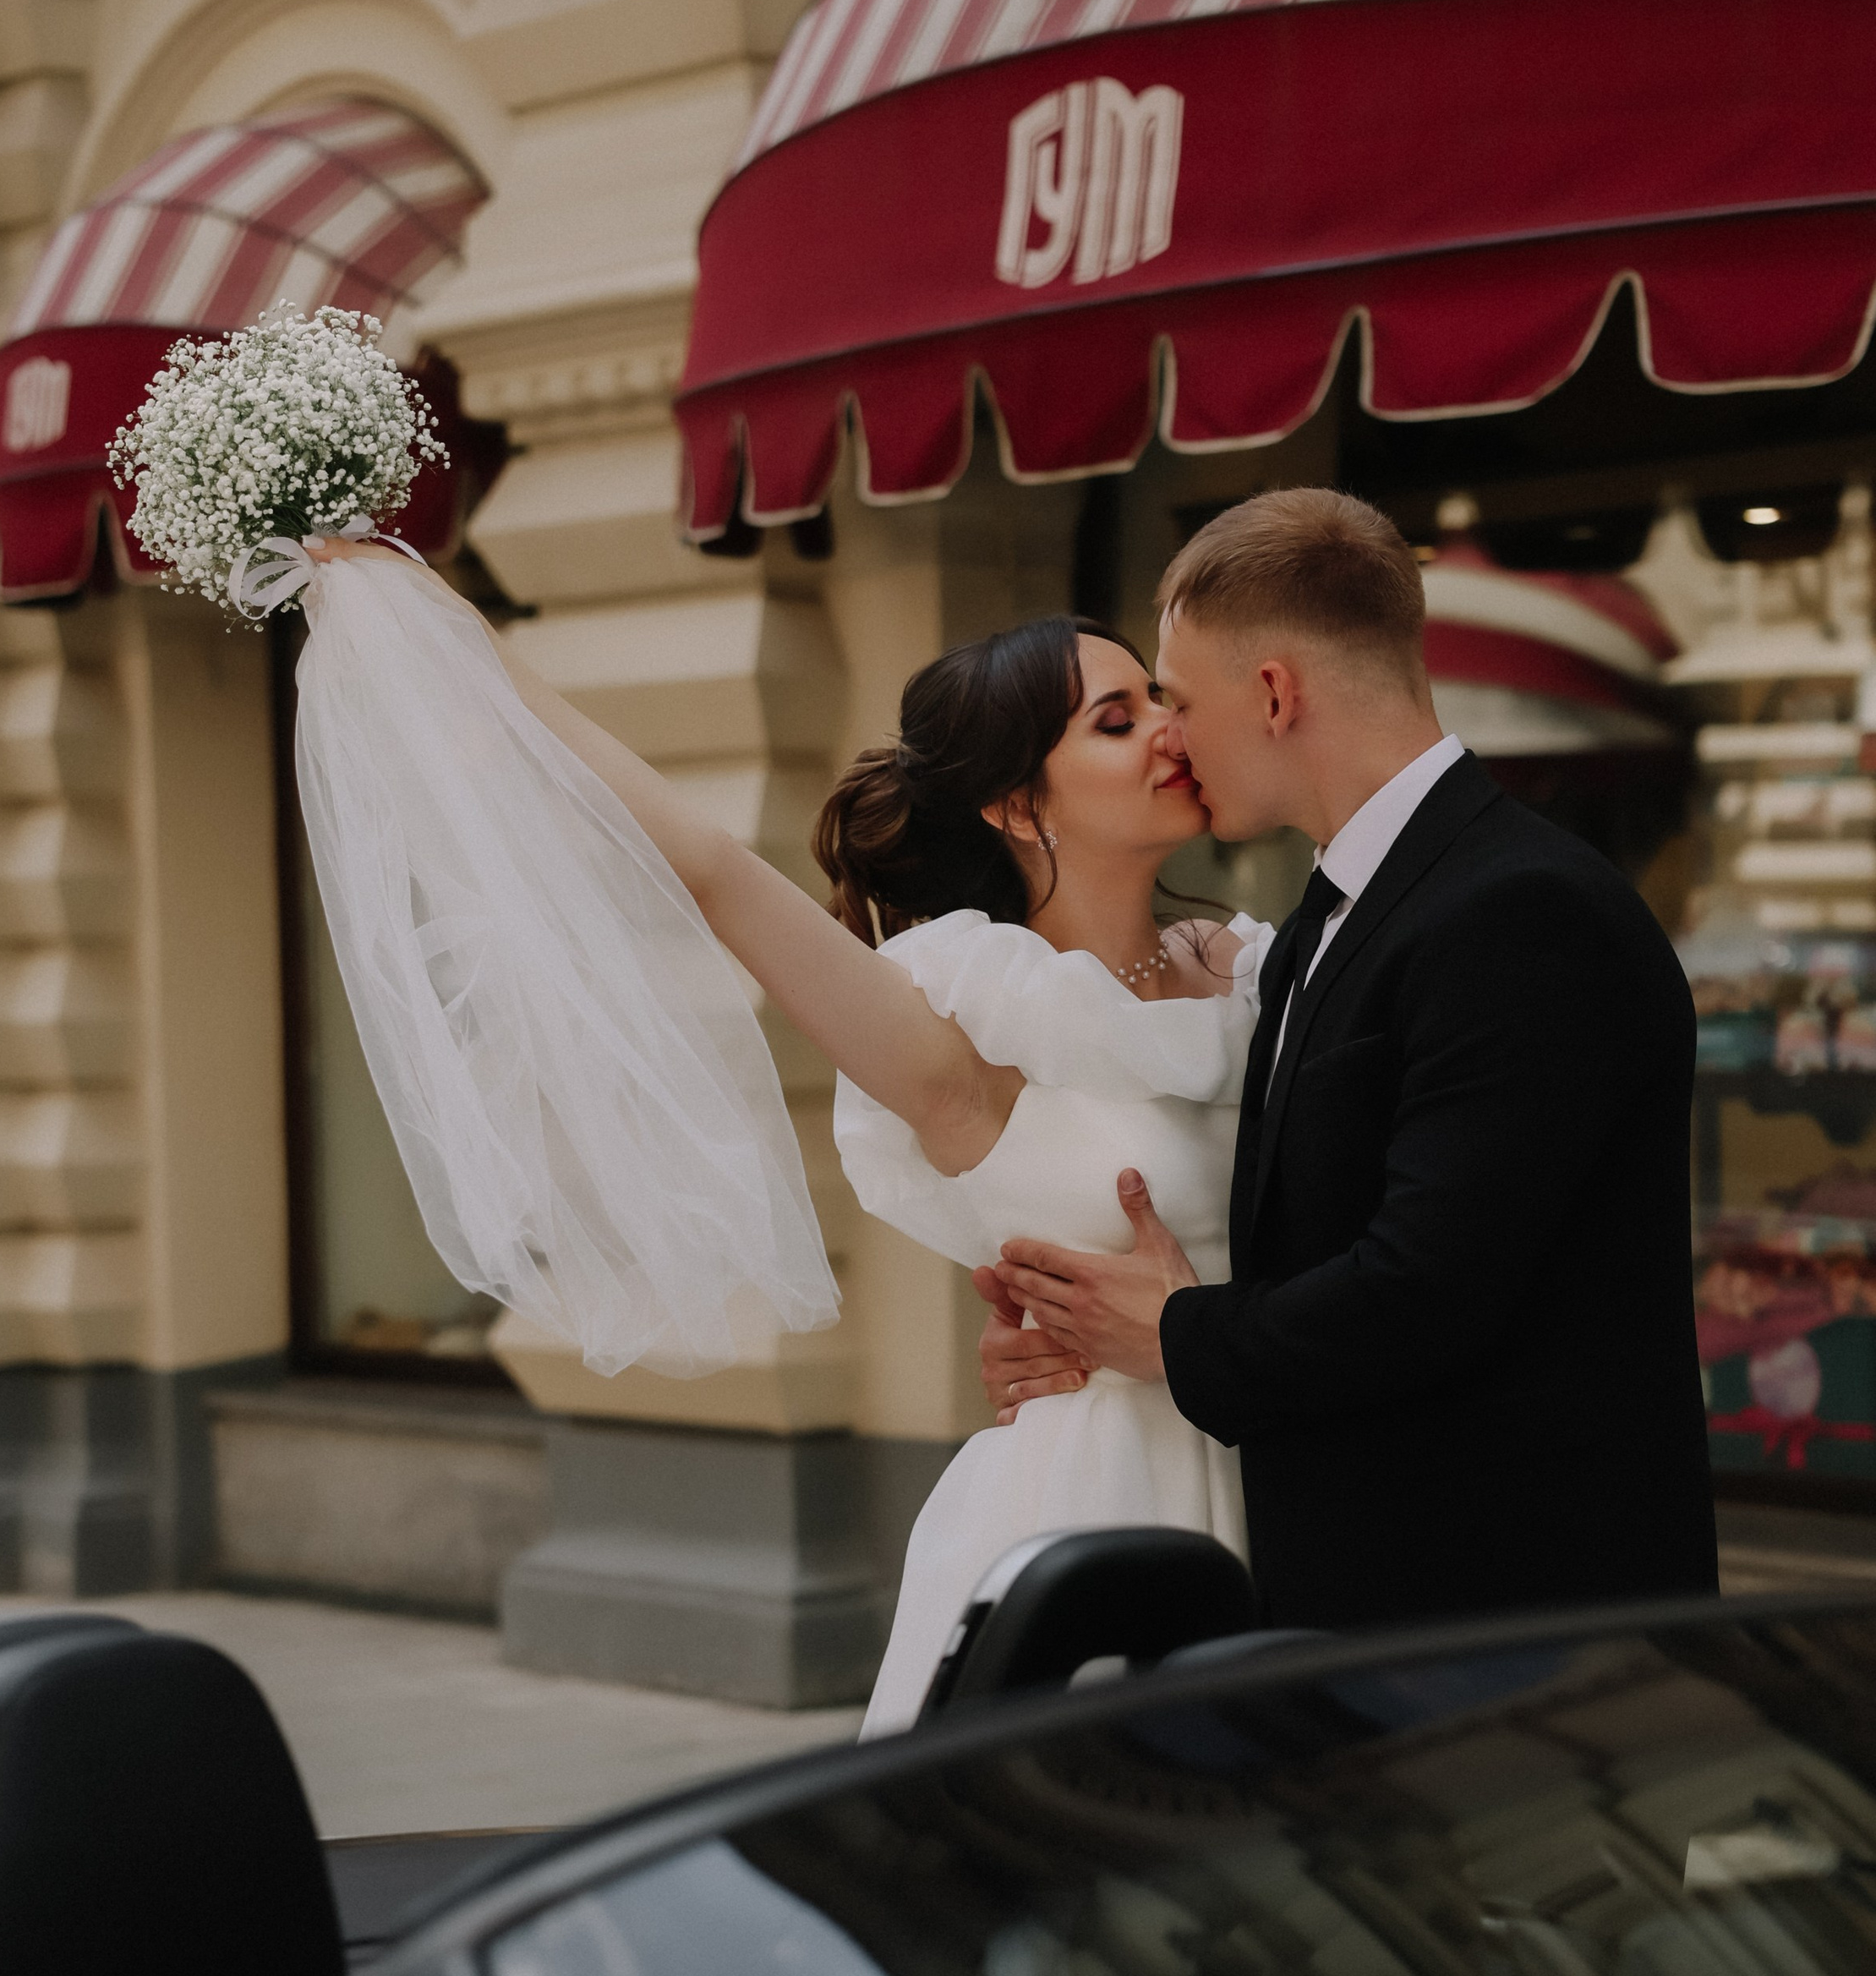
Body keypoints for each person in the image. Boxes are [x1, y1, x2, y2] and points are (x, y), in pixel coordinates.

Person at [299, 537, 1267, 1730]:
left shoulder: (1248, 968)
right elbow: (712, 871)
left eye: (1159, 700)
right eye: (1118, 721)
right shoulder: (961, 1038)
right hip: (1098, 1504)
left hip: (1285, 1460)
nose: (1169, 730)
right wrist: (462, 647)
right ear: (1019, 804)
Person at [978, 487, 1717, 1632]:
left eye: (1179, 699)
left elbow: (1424, 1290)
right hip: (1373, 1612)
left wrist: (1172, 1334)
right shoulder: (1322, 923)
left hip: (1516, 1627)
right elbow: (1315, 1228)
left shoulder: (1525, 911)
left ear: (1275, 694)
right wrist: (1079, 1329)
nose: (1171, 737)